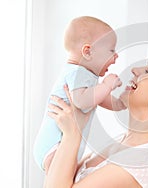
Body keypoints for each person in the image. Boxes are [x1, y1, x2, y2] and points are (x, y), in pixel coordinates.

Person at [44, 54, 148, 188]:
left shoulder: (142, 161)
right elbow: (58, 178)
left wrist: (72, 135)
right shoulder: (124, 141)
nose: (135, 70)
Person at [33, 16, 126, 172]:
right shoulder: (77, 72)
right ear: (88, 52)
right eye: (111, 50)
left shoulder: (86, 76)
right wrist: (106, 85)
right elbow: (81, 101)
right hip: (54, 145)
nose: (116, 57)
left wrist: (121, 104)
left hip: (60, 144)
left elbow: (98, 99)